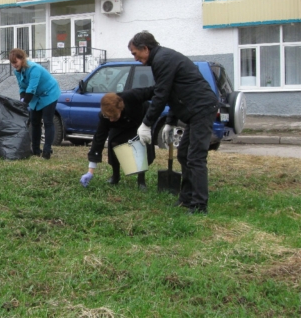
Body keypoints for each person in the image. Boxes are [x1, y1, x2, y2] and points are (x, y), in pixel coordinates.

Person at [128, 31, 219, 215]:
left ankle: (199, 205)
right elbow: (172, 93)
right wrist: (170, 121)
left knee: (195, 157)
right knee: (184, 155)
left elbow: (161, 94)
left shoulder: (163, 60)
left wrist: (146, 123)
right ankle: (186, 198)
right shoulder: (160, 59)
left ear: (145, 48)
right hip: (194, 110)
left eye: (135, 53)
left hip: (201, 108)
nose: (135, 58)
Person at [80, 92, 156, 191]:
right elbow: (98, 140)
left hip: (140, 120)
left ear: (120, 108)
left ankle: (141, 180)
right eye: (108, 117)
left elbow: (154, 91)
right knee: (113, 142)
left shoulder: (131, 98)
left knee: (140, 144)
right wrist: (90, 171)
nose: (110, 120)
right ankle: (115, 177)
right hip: (120, 124)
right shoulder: (105, 117)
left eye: (113, 116)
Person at [8, 48, 60, 159]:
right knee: (35, 122)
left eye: (15, 62)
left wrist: (24, 103)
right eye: (12, 63)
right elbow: (22, 87)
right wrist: (22, 99)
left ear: (22, 59)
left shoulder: (34, 68)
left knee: (48, 121)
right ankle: (35, 150)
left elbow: (31, 88)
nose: (14, 65)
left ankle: (47, 150)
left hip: (49, 94)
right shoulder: (17, 71)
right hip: (36, 96)